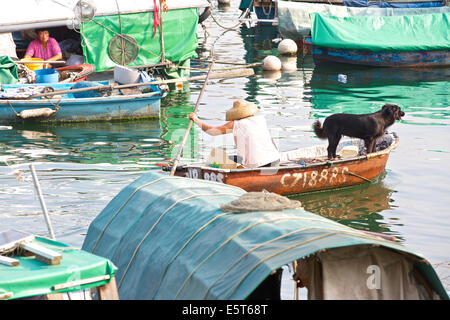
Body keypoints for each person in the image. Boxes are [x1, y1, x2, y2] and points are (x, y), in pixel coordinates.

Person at [189, 99, 280, 168]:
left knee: (216, 159)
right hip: (275, 159)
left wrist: (196, 120)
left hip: (259, 164)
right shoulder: (260, 119)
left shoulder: (238, 123)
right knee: (232, 158)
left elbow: (212, 132)